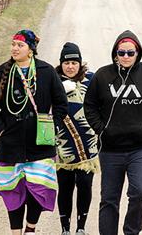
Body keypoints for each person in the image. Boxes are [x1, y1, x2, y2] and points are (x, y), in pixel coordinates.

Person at [84, 30, 142, 235]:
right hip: (110, 149)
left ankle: (131, 232)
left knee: (140, 192)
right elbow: (90, 106)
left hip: (141, 148)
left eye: (130, 53)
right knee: (109, 199)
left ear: (137, 53)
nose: (126, 57)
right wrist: (101, 129)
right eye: (121, 52)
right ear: (115, 53)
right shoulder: (103, 76)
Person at [0, 29, 68, 235]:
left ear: (30, 50)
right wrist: (1, 129)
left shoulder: (46, 72)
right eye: (13, 44)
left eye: (20, 45)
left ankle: (30, 228)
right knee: (13, 190)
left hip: (40, 145)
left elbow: (61, 104)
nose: (14, 48)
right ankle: (15, 231)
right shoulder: (1, 73)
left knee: (37, 190)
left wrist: (52, 126)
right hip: (10, 145)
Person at [55, 42, 99, 235]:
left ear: (80, 63)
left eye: (74, 62)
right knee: (64, 187)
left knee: (84, 185)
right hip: (61, 144)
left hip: (87, 144)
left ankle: (81, 228)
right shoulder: (53, 80)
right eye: (66, 63)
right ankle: (65, 228)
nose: (70, 66)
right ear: (61, 64)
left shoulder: (92, 79)